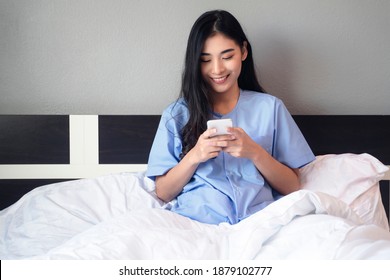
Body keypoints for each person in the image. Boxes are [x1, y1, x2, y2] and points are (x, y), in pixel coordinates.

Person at [146, 10, 315, 225]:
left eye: (227, 57)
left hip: (259, 221)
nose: (217, 69)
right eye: (205, 60)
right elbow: (163, 192)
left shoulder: (270, 108)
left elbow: (292, 186)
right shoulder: (177, 114)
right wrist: (195, 155)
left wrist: (255, 152)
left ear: (243, 51)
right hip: (197, 223)